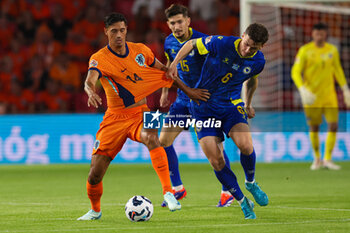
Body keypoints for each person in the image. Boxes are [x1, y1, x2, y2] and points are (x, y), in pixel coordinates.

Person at [77, 13, 210, 220]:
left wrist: (188, 91)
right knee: (94, 173)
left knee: (152, 137)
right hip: (114, 118)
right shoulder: (99, 58)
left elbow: (166, 72)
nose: (119, 35)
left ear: (126, 30)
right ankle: (95, 210)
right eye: (114, 31)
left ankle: (169, 192)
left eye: (122, 30)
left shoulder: (141, 50)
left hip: (144, 111)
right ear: (106, 32)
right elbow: (90, 79)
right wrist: (90, 90)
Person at [167, 23, 270, 219]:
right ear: (242, 36)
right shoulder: (221, 43)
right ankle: (242, 201)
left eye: (254, 48)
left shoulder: (258, 61)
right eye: (247, 44)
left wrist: (248, 104)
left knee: (246, 146)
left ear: (261, 47)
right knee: (216, 160)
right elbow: (191, 44)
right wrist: (174, 63)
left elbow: (252, 79)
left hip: (231, 106)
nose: (248, 50)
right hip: (202, 108)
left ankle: (251, 182)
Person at [159, 4, 234, 208]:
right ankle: (177, 189)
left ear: (188, 21)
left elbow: (219, 69)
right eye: (172, 23)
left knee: (216, 149)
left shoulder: (203, 41)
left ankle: (227, 191)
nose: (176, 26)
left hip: (205, 100)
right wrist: (166, 91)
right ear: (168, 24)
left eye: (180, 21)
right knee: (163, 141)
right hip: (183, 99)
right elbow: (169, 65)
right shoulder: (168, 42)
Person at [291, 22, 350, 171]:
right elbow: (295, 71)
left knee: (333, 125)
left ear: (326, 34)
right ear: (312, 34)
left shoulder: (332, 50)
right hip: (311, 97)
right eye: (317, 33)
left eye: (322, 33)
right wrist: (302, 88)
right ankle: (317, 159)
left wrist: (345, 88)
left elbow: (337, 69)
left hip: (329, 95)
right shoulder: (305, 50)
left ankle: (328, 159)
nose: (319, 36)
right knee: (314, 127)